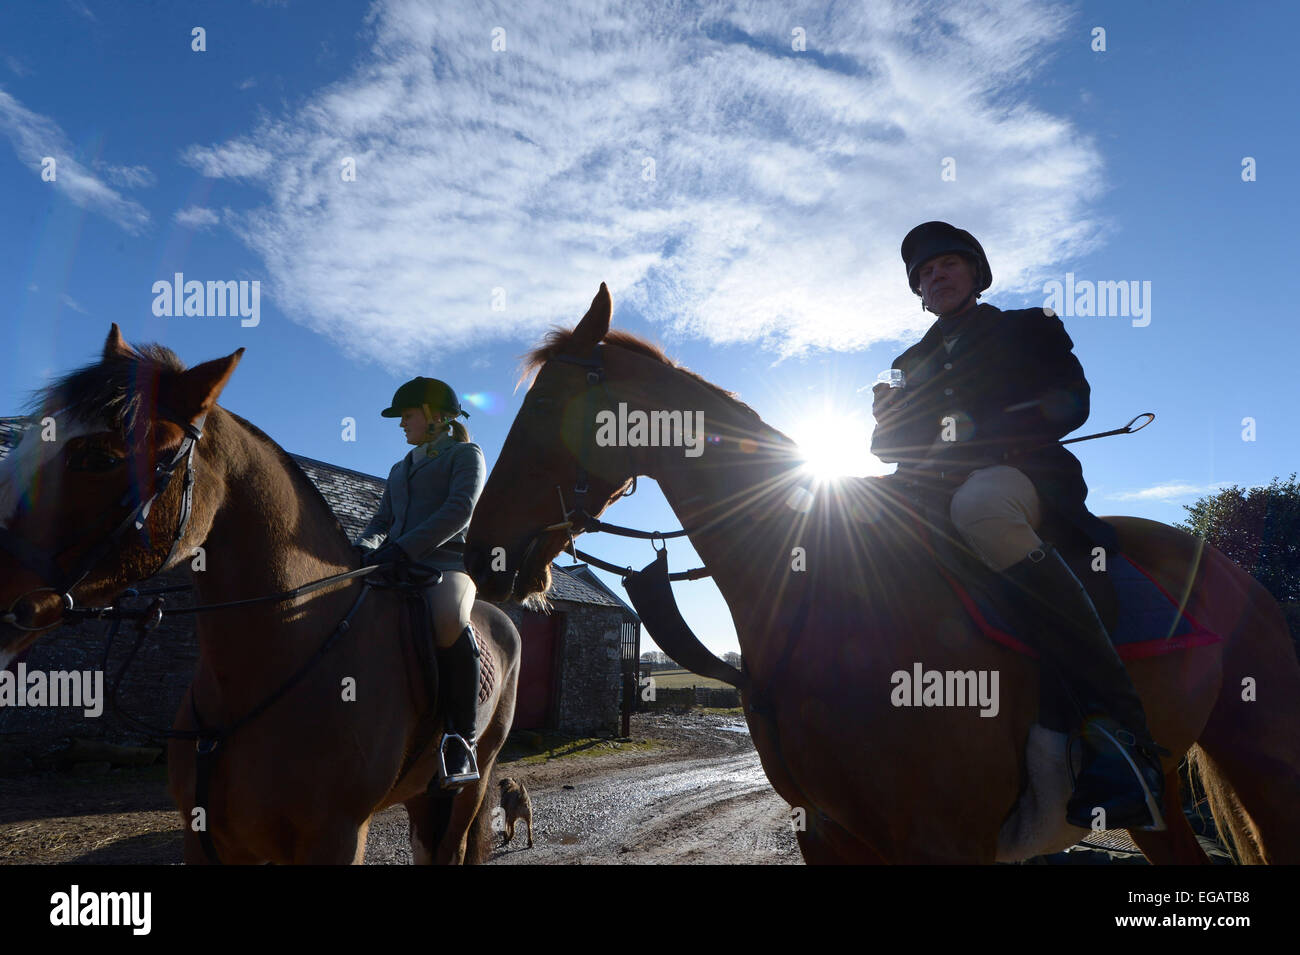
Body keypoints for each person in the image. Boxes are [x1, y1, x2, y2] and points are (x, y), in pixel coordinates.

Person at [870, 221, 1170, 831]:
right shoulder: (906, 364)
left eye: (949, 264)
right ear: (919, 292)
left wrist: (984, 432)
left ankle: (1117, 731)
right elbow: (886, 448)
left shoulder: (1028, 328)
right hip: (927, 490)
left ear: (976, 275)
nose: (937, 276)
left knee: (979, 509)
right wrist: (889, 417)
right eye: (926, 273)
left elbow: (1070, 401)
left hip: (1021, 476)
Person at [355, 376, 486, 789]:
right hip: (394, 565)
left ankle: (460, 741)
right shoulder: (400, 468)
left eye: (407, 415)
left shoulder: (466, 455)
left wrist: (405, 547)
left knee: (447, 616)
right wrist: (362, 548)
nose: (401, 424)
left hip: (445, 567)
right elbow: (380, 522)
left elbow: (458, 512)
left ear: (433, 417)